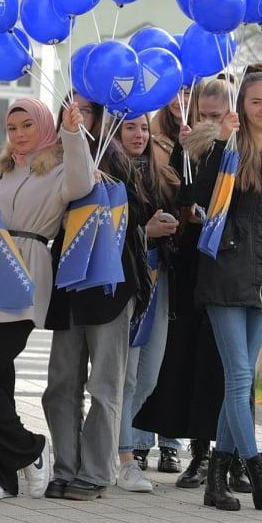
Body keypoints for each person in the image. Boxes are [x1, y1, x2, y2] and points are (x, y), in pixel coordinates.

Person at [0, 97, 89, 501]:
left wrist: (73, 132)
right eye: (12, 128)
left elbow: (84, 183)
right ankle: (2, 476)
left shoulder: (61, 168)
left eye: (27, 126)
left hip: (24, 278)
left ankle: (31, 450)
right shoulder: (4, 170)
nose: (18, 135)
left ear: (44, 127)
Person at [183, 70, 262, 513]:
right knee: (237, 377)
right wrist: (219, 145)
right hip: (225, 274)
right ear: (242, 105)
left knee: (243, 379)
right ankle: (260, 476)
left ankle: (216, 483)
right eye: (257, 102)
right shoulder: (225, 147)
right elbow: (199, 197)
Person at [133, 77, 244, 494]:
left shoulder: (243, 148)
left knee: (231, 368)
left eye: (220, 115)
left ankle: (231, 458)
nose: (213, 123)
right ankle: (199, 453)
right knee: (192, 363)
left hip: (232, 268)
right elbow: (179, 197)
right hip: (191, 265)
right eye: (207, 115)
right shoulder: (183, 149)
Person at [42, 94, 151, 501]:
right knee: (60, 384)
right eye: (72, 109)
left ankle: (96, 471)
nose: (79, 116)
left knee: (104, 386)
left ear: (101, 117)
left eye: (87, 110)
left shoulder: (117, 158)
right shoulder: (50, 159)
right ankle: (65, 468)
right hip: (67, 283)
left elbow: (140, 213)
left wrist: (112, 192)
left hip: (110, 284)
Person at [114, 111, 183, 491]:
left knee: (149, 374)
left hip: (160, 279)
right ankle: (125, 454)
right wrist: (144, 230)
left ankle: (122, 439)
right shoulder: (109, 170)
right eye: (130, 127)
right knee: (124, 374)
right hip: (126, 281)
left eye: (143, 127)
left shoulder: (161, 172)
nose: (139, 134)